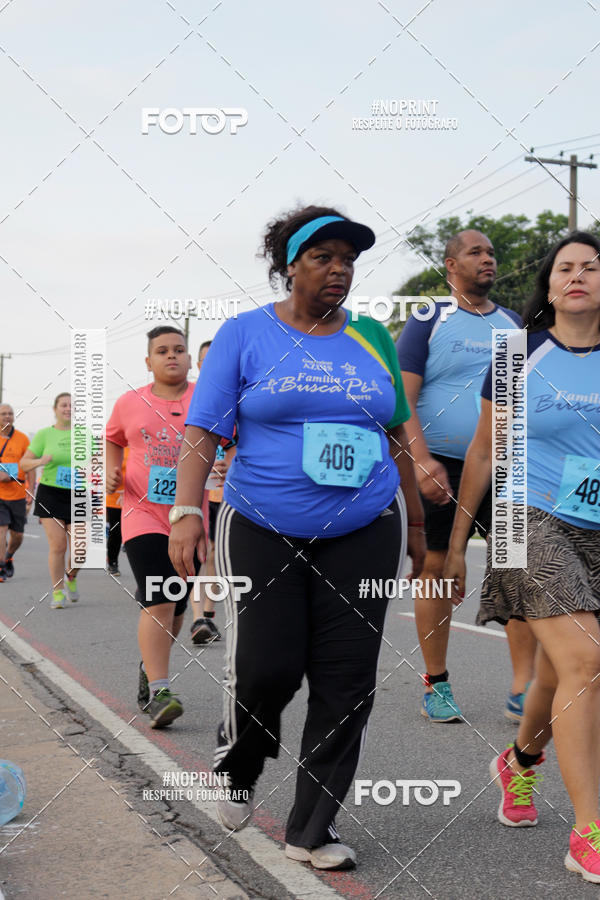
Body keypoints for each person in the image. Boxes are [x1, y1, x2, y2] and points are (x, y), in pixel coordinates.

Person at [169, 205, 426, 871]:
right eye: (323, 257)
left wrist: (417, 522)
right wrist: (186, 510)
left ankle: (312, 828)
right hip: (262, 522)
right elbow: (203, 427)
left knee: (348, 679)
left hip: (366, 524)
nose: (338, 269)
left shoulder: (372, 336)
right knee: (268, 667)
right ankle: (239, 766)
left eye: (348, 259)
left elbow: (398, 431)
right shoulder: (246, 333)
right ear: (289, 266)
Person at [444, 231, 600, 883]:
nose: (578, 275)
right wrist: (457, 545)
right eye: (565, 267)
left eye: (591, 267)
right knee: (586, 660)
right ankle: (590, 831)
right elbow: (483, 451)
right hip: (521, 516)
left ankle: (519, 763)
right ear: (550, 284)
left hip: (595, 526)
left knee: (563, 671)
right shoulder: (518, 354)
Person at [396, 230, 536, 722]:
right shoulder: (429, 318)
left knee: (517, 567)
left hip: (505, 468)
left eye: (492, 252)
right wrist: (420, 461)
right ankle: (436, 683)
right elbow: (403, 399)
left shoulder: (514, 325)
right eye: (476, 252)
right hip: (440, 466)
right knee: (435, 569)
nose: (488, 259)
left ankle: (523, 687)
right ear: (451, 265)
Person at [106, 327, 205, 728]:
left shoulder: (206, 397)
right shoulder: (129, 402)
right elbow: (112, 439)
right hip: (142, 513)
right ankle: (161, 692)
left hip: (192, 517)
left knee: (177, 605)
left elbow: (233, 441)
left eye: (179, 349)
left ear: (190, 358)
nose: (172, 356)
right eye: (162, 351)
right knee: (161, 597)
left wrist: (227, 462)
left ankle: (150, 668)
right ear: (148, 362)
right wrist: (112, 469)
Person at [189, 341, 237, 645]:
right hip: (196, 494)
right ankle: (199, 618)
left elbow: (241, 444)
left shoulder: (238, 397)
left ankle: (208, 612)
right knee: (201, 551)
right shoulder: (188, 397)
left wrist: (230, 463)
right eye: (206, 360)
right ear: (198, 365)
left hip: (226, 493)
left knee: (216, 556)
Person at [20, 393, 80, 609]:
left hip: (78, 495)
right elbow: (24, 463)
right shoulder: (44, 435)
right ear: (55, 409)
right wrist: (40, 461)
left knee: (80, 550)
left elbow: (99, 461)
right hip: (51, 494)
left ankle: (71, 576)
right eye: (64, 405)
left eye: (72, 405)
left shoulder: (84, 435)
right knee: (59, 545)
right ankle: (58, 591)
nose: (68, 408)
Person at [0, 404, 35, 581]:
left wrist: (31, 489)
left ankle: (8, 556)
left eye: (10, 413)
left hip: (18, 494)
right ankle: (0, 567)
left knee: (17, 535)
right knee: (1, 529)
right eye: (3, 414)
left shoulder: (22, 439)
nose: (7, 416)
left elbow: (30, 466)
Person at [106, 448, 128, 576]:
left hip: (135, 497)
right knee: (116, 531)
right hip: (115, 497)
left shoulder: (140, 447)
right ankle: (112, 562)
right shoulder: (115, 448)